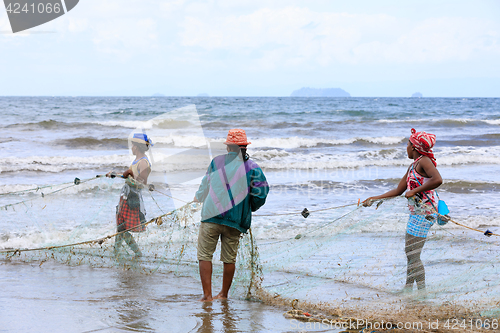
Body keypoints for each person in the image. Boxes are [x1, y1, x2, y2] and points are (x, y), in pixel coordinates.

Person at [194, 129, 269, 302]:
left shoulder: (216, 162)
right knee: (229, 258)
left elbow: (205, 184)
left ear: (228, 147)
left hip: (211, 216)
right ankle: (223, 294)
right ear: (244, 147)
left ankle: (207, 296)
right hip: (235, 220)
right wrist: (250, 208)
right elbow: (261, 192)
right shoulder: (253, 167)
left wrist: (198, 197)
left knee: (205, 255)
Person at [363, 128, 442, 291]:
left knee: (413, 254)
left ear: (413, 147)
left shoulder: (424, 161)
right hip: (417, 213)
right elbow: (398, 191)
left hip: (425, 212)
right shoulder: (413, 166)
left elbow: (438, 179)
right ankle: (408, 289)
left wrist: (414, 191)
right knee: (411, 253)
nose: (405, 147)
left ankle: (421, 292)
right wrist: (373, 199)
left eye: (407, 144)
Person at [106, 133, 153, 259]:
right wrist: (114, 174)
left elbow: (142, 181)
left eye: (132, 145)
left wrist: (130, 172)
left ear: (137, 146)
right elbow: (127, 175)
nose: (131, 147)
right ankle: (116, 252)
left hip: (132, 197)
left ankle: (137, 253)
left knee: (122, 228)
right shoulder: (137, 160)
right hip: (126, 195)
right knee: (120, 227)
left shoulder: (144, 162)